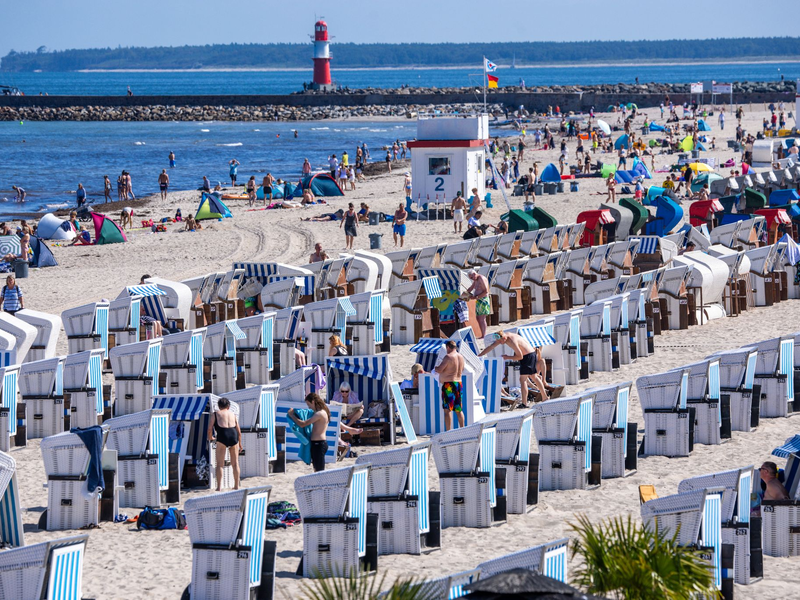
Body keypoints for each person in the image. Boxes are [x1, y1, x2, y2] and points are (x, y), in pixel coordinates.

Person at [480, 331, 550, 404]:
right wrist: (479, 355)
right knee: (533, 377)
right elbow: (491, 347)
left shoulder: (511, 340)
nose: (499, 343)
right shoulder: (503, 337)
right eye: (498, 341)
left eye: (500, 341)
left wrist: (507, 357)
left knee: (523, 380)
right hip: (530, 354)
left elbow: (520, 356)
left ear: (504, 338)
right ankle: (544, 397)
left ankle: (525, 403)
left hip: (528, 356)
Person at [287, 393, 330, 472]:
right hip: (316, 444)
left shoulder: (320, 413)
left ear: (313, 402)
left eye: (309, 405)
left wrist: (292, 415)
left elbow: (303, 424)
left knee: (319, 470)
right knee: (316, 469)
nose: (309, 407)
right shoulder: (319, 412)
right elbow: (306, 414)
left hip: (319, 444)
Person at [206, 397, 242, 490]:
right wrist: (240, 444)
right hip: (233, 436)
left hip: (222, 436)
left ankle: (219, 487)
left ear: (219, 406)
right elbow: (239, 431)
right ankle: (236, 486)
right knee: (235, 464)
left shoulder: (215, 414)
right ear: (228, 406)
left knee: (219, 464)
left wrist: (210, 437)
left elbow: (209, 429)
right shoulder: (233, 414)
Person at [434, 340, 465, 431]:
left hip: (449, 385)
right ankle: (463, 429)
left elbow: (439, 369)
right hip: (458, 384)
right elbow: (462, 369)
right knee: (458, 409)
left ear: (448, 347)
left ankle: (448, 431)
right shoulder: (461, 357)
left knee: (447, 410)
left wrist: (436, 368)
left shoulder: (448, 357)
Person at [467, 270, 491, 338]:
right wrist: (463, 296)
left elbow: (486, 291)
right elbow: (470, 288)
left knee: (482, 318)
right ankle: (482, 334)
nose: (472, 279)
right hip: (479, 300)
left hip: (483, 300)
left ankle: (484, 335)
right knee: (478, 318)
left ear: (474, 274)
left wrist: (476, 297)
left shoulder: (481, 278)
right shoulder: (476, 280)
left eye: (472, 277)